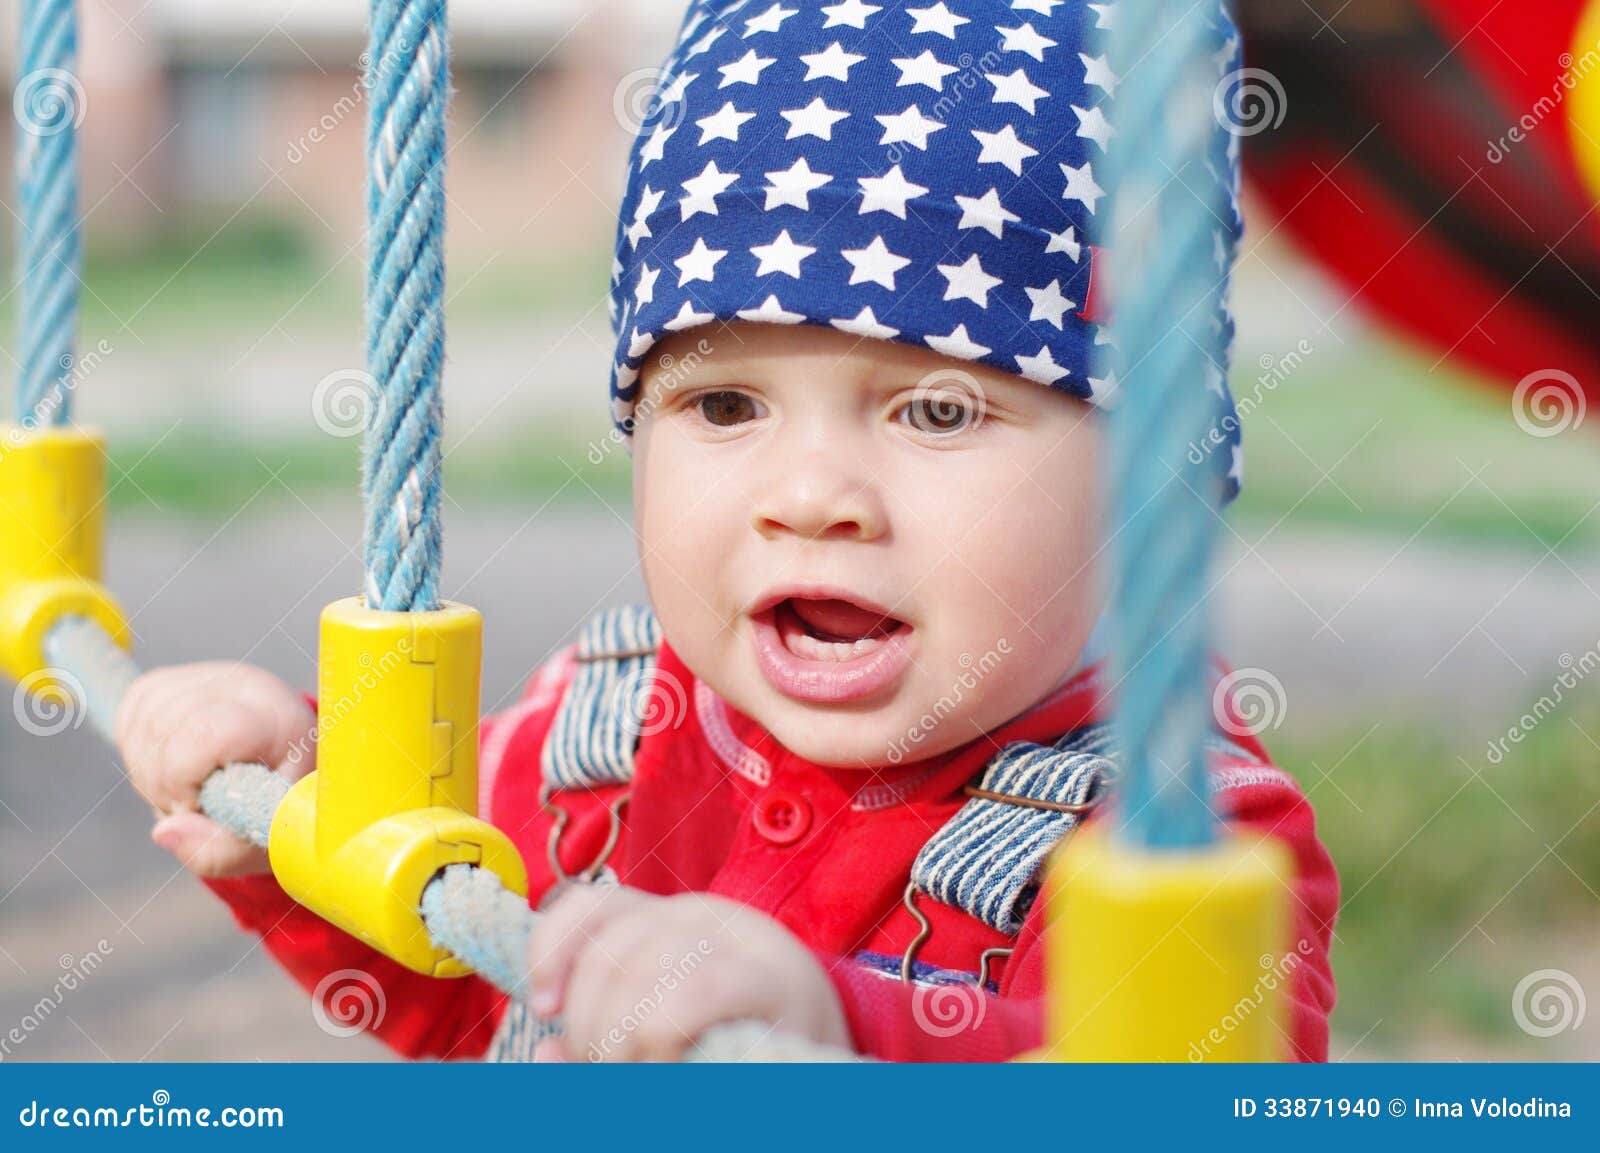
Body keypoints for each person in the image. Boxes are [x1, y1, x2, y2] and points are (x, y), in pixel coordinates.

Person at [115, 0, 1337, 1062]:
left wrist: (836, 1023)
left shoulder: (1180, 833)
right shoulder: (600, 732)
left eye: (939, 406)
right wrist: (295, 825)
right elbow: (457, 1000)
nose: (809, 495)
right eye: (724, 403)